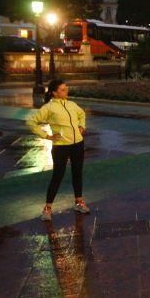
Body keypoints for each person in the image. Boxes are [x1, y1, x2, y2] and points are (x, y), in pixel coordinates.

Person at [26, 79, 89, 221]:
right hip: (61, 146)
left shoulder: (71, 104)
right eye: (62, 90)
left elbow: (81, 114)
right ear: (54, 92)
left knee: (77, 173)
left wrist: (81, 126)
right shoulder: (49, 108)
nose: (66, 91)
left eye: (66, 89)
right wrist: (46, 136)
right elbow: (30, 122)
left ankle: (79, 202)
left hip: (77, 144)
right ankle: (47, 208)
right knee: (58, 176)